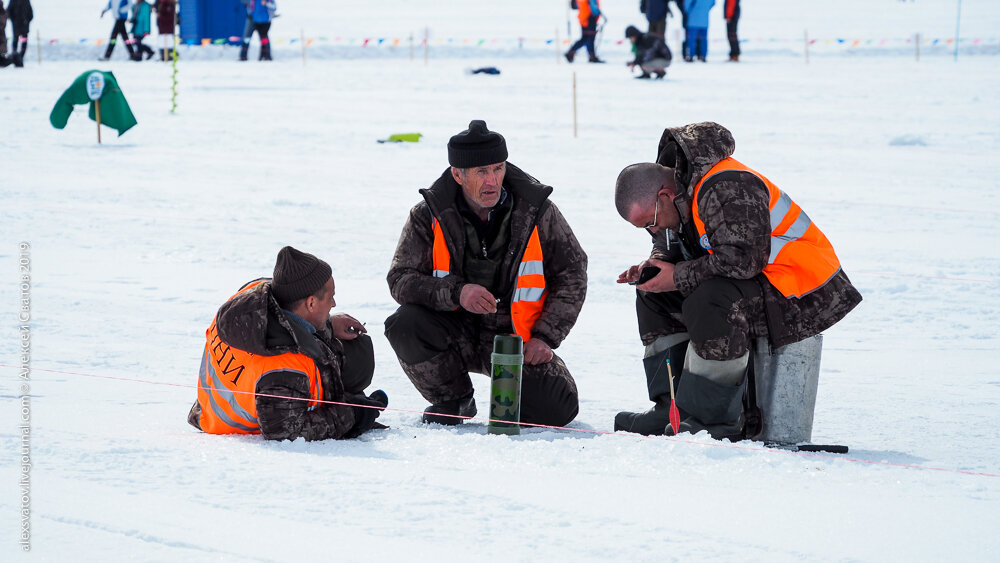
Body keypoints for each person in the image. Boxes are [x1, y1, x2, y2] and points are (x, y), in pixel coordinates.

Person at [612, 122, 862, 439]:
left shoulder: (725, 185)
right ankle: (672, 409)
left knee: (711, 298)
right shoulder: (684, 192)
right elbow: (677, 240)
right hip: (763, 286)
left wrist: (677, 276)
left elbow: (744, 259)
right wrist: (658, 265)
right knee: (653, 295)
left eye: (651, 222)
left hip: (802, 294)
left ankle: (711, 419)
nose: (653, 231)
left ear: (664, 195)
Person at [385, 120, 587, 428]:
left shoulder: (539, 211)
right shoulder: (427, 215)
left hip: (517, 341)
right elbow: (400, 279)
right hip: (454, 332)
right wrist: (457, 293)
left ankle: (512, 395)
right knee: (405, 324)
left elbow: (572, 272)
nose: (492, 180)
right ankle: (455, 399)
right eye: (481, 172)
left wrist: (545, 337)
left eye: (498, 168)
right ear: (457, 174)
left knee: (556, 410)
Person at [187, 246, 388, 441]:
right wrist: (353, 415)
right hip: (225, 426)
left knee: (357, 347)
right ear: (310, 304)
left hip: (207, 408)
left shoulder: (250, 297)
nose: (334, 304)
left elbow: (287, 317)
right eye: (331, 297)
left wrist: (327, 323)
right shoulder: (284, 366)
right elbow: (287, 432)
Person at [7, 0, 31, 68]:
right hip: (16, 26)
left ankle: (21, 56)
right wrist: (13, 21)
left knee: (23, 41)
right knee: (16, 40)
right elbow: (9, 12)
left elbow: (30, 13)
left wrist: (27, 20)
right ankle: (15, 57)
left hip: (24, 26)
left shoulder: (26, 1)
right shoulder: (13, 1)